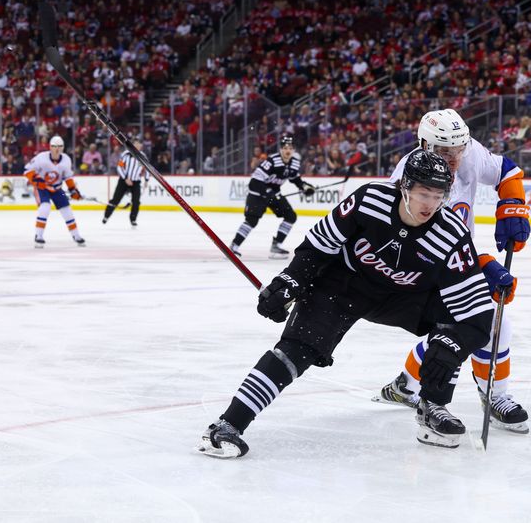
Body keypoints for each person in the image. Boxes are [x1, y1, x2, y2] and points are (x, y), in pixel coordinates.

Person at [197, 150, 495, 458]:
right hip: (344, 285)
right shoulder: (370, 200)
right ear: (405, 187)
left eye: (438, 195)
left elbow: (477, 314)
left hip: (405, 297)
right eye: (423, 193)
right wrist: (291, 280)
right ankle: (227, 426)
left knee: (452, 332)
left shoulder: (451, 233)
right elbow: (318, 244)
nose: (430, 204)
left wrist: (454, 346)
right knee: (297, 349)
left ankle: (433, 405)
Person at [375, 108, 531, 434]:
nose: (455, 158)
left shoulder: (466, 151)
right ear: (424, 146)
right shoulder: (409, 180)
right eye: (446, 152)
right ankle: (433, 401)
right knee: (459, 329)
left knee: (492, 321)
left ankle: (411, 385)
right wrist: (482, 265)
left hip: (459, 259)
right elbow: (421, 245)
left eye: (458, 150)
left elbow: (506, 170)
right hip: (417, 268)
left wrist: (512, 205)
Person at [230, 134, 316, 259]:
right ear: (281, 149)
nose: (288, 150)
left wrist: (305, 187)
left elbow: (295, 179)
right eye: (285, 148)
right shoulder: (272, 161)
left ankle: (276, 246)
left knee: (290, 216)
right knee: (252, 220)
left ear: (293, 150)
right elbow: (254, 181)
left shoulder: (295, 163)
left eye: (290, 148)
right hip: (257, 194)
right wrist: (267, 192)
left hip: (273, 194)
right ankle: (234, 246)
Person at [23, 135, 85, 248]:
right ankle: (38, 236)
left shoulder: (66, 159)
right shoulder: (41, 157)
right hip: (43, 188)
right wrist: (37, 181)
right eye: (55, 146)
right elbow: (27, 170)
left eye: (60, 146)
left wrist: (73, 190)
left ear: (63, 147)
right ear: (50, 147)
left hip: (57, 189)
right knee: (45, 208)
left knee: (67, 210)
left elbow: (68, 177)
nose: (57, 149)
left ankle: (76, 236)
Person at [102, 140, 149, 227]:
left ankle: (133, 219)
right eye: (136, 144)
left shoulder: (143, 156)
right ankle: (106, 216)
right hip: (123, 181)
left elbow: (147, 169)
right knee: (116, 199)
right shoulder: (125, 154)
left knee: (136, 201)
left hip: (136, 181)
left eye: (139, 144)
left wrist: (146, 180)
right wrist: (125, 178)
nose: (138, 146)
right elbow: (119, 166)